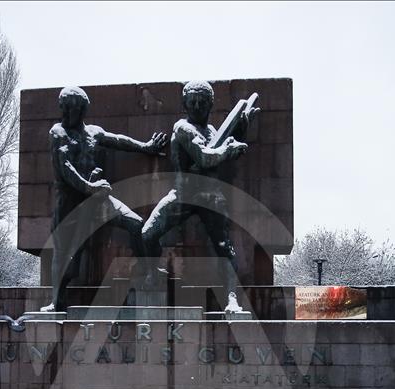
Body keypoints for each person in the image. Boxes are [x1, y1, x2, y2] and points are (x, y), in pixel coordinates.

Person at [44, 86, 167, 312]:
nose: (66, 114)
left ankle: (149, 271)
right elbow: (64, 168)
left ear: (82, 110)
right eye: (65, 109)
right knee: (67, 254)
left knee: (137, 224)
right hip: (71, 203)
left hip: (99, 198)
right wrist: (89, 187)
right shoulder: (58, 132)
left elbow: (119, 140)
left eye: (71, 109)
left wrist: (146, 147)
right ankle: (56, 301)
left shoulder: (93, 132)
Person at [141, 80, 257, 306]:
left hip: (210, 195)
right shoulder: (183, 128)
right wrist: (225, 151)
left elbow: (225, 152)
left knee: (224, 246)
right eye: (192, 101)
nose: (197, 105)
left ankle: (232, 298)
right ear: (185, 104)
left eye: (202, 101)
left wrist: (241, 126)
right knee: (147, 234)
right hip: (183, 194)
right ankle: (153, 274)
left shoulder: (213, 131)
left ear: (210, 104)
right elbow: (205, 157)